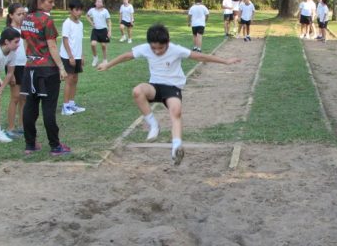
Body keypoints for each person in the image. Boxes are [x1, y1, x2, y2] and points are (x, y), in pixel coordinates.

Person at [97, 24, 240, 166]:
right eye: (154, 48)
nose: (157, 51)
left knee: (176, 111)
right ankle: (154, 125)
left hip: (172, 87)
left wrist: (225, 61)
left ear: (168, 42)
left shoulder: (176, 50)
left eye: (161, 48)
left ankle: (176, 147)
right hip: (154, 86)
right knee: (137, 91)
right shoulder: (146, 48)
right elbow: (126, 56)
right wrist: (108, 65)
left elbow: (199, 56)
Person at [21, 0, 70, 156]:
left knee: (30, 106)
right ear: (40, 1)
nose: (52, 4)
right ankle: (55, 146)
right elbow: (52, 46)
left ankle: (30, 144)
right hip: (47, 69)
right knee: (48, 108)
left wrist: (30, 58)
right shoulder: (46, 20)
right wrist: (61, 67)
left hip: (30, 68)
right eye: (50, 1)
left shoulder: (26, 19)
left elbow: (25, 43)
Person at [59, 0, 86, 116]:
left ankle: (71, 103)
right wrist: (70, 56)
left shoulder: (80, 24)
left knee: (75, 79)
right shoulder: (67, 23)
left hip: (77, 56)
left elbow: (79, 40)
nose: (79, 12)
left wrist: (81, 55)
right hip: (67, 56)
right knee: (69, 80)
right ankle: (65, 107)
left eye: (80, 10)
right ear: (70, 10)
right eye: (76, 10)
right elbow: (65, 41)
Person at [5, 4, 27, 138]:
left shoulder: (25, 29)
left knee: (24, 97)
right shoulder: (8, 31)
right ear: (11, 15)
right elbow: (6, 53)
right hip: (14, 67)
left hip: (25, 65)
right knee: (15, 97)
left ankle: (22, 125)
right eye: (19, 14)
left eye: (23, 14)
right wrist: (11, 73)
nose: (22, 16)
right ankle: (10, 128)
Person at [87, 0, 111, 67]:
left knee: (103, 45)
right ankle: (95, 58)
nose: (98, 3)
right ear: (95, 3)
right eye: (97, 1)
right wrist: (91, 23)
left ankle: (105, 59)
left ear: (102, 4)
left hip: (103, 30)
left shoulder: (105, 11)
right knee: (93, 44)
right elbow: (87, 16)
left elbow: (109, 21)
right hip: (95, 30)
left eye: (100, 2)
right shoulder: (92, 10)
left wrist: (109, 31)